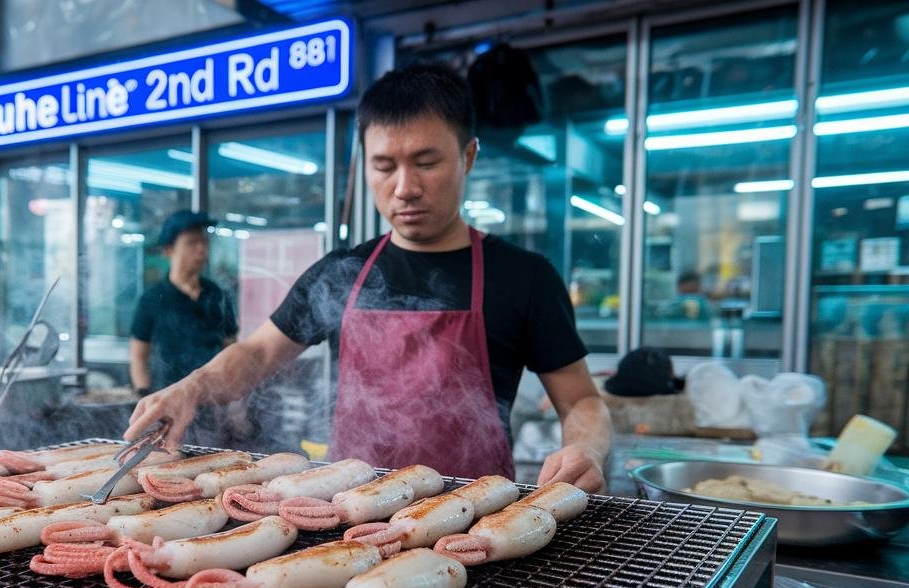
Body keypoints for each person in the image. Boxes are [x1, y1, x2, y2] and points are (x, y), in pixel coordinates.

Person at [128, 63, 611, 490]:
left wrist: (586, 448)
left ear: (468, 157)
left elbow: (581, 400)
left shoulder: (525, 277)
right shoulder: (341, 273)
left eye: (426, 163)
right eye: (384, 166)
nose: (405, 188)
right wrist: (191, 385)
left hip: (479, 521)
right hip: (349, 519)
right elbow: (257, 354)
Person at [128, 210, 238, 396]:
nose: (201, 249)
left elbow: (231, 349)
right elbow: (138, 356)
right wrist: (144, 396)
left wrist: (235, 400)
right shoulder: (152, 299)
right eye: (191, 242)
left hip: (213, 400)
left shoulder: (217, 295)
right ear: (168, 250)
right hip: (168, 398)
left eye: (203, 241)